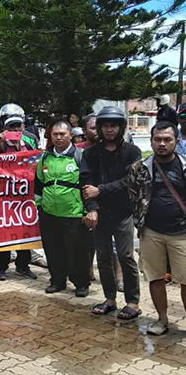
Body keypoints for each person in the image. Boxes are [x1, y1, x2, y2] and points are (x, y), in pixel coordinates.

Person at [80, 106, 142, 320]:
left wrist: (102, 190)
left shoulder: (132, 152)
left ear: (121, 127)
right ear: (99, 127)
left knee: (126, 256)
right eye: (105, 125)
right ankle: (110, 298)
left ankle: (133, 302)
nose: (109, 130)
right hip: (100, 213)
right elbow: (85, 183)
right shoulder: (90, 153)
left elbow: (130, 181)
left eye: (113, 125)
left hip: (124, 212)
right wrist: (92, 209)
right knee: (104, 257)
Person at [127, 121, 186, 335]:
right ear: (151, 141)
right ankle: (162, 320)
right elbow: (133, 196)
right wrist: (139, 222)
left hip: (182, 233)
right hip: (151, 231)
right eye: (157, 139)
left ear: (176, 142)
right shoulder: (140, 167)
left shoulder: (184, 166)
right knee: (155, 277)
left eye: (167, 139)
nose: (162, 144)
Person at [35, 121, 92, 297]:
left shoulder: (80, 156)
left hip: (74, 213)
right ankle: (57, 280)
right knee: (53, 249)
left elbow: (87, 184)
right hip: (49, 213)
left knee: (77, 251)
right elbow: (38, 183)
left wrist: (88, 210)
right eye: (55, 134)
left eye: (62, 134)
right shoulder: (45, 158)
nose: (58, 138)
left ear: (70, 135)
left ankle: (81, 283)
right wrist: (40, 206)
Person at [0, 104, 39, 281]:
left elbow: (37, 159)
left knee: (25, 230)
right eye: (11, 127)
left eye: (18, 126)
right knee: (2, 231)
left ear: (23, 125)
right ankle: (0, 267)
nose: (15, 130)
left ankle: (23, 266)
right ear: (4, 127)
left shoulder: (30, 139)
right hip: (2, 195)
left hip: (25, 195)